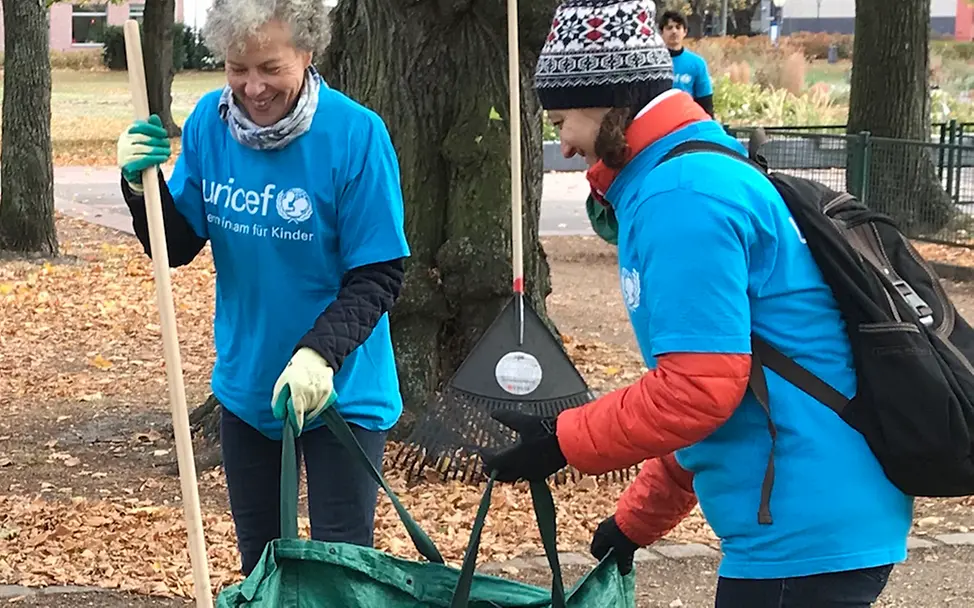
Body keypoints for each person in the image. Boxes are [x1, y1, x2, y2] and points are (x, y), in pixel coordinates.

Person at [483, 1, 912, 606]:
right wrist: (636, 524)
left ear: (610, 100)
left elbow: (698, 391)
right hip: (812, 516)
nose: (567, 146)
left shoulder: (680, 195)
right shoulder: (689, 172)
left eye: (560, 122)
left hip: (801, 530)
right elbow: (722, 394)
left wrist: (559, 440)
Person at [115, 0, 410, 576]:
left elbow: (378, 274)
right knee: (262, 568)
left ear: (306, 52)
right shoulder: (209, 123)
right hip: (247, 387)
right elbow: (176, 246)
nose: (252, 87)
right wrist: (137, 186)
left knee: (339, 571)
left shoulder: (356, 135)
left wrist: (318, 354)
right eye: (237, 68)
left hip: (339, 391)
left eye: (270, 68)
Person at [659, 10, 714, 117]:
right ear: (661, 32)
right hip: (660, 120)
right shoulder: (654, 63)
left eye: (678, 27)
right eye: (669, 28)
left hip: (687, 121)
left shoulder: (697, 63)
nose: (674, 31)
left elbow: (705, 103)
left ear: (685, 32)